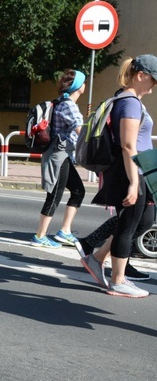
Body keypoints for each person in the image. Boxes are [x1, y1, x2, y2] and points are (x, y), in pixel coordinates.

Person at [80, 54, 156, 298]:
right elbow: (127, 145)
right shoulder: (130, 102)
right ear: (140, 76)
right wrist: (134, 182)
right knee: (129, 223)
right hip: (131, 171)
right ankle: (118, 280)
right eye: (153, 79)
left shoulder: (128, 99)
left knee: (143, 221)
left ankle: (98, 258)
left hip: (138, 169)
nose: (155, 85)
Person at [32, 69, 86, 248]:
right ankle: (40, 235)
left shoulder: (62, 102)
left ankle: (65, 231)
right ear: (79, 87)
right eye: (83, 82)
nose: (85, 85)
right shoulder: (68, 105)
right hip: (58, 155)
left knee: (78, 191)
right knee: (54, 195)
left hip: (63, 155)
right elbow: (81, 131)